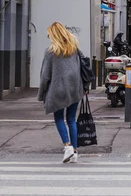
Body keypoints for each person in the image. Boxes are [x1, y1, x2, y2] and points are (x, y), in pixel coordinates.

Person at [38, 22, 85, 164]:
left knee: (59, 118)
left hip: (58, 90)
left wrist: (41, 93)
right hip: (75, 88)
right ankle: (75, 151)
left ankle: (67, 146)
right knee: (71, 120)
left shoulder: (51, 51)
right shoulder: (74, 48)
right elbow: (83, 65)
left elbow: (45, 75)